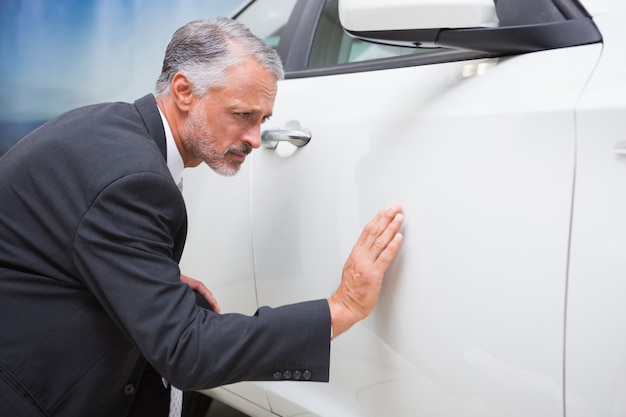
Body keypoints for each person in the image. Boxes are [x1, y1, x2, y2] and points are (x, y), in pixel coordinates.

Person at [0, 17, 404, 417]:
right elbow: (185, 350)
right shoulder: (132, 179)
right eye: (242, 114)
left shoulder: (116, 132)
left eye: (262, 119)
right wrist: (341, 308)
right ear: (183, 91)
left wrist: (149, 275)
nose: (254, 138)